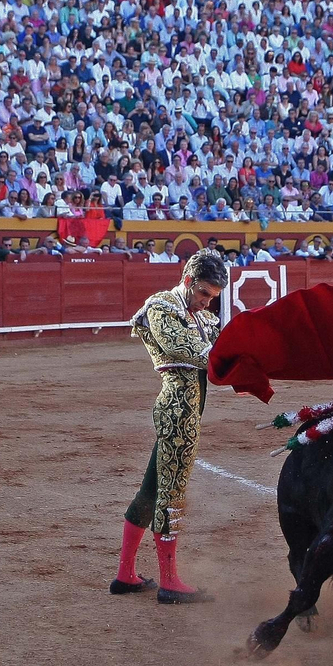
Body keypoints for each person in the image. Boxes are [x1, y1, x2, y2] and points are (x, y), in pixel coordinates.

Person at [113, 248, 228, 604]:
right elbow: (184, 349)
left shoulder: (205, 319)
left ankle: (126, 575)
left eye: (214, 298)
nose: (208, 304)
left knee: (151, 489)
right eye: (204, 294)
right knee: (171, 492)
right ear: (188, 281)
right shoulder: (161, 306)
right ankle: (169, 581)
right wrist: (232, 359)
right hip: (176, 410)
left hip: (190, 412)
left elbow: (220, 351)